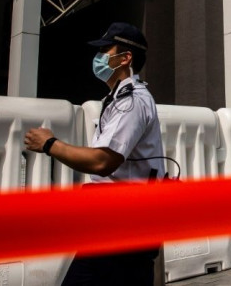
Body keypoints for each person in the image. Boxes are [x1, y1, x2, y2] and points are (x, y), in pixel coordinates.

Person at [24, 22, 164, 286]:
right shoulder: (118, 99)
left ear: (125, 58)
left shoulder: (131, 102)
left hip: (123, 223)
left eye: (104, 51)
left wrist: (50, 144)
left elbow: (103, 161)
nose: (98, 58)